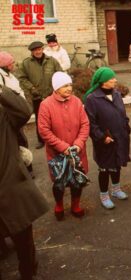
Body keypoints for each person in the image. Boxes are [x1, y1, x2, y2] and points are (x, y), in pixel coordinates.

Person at [0, 85, 49, 280]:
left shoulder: (4, 116)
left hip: (12, 189)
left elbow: (23, 111)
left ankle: (28, 272)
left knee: (24, 242)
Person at [38, 72, 90, 220]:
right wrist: (62, 147)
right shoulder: (46, 105)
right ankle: (59, 205)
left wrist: (79, 143)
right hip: (57, 154)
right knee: (59, 182)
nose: (69, 88)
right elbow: (44, 130)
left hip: (77, 152)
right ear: (56, 88)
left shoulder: (77, 102)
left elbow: (85, 124)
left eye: (70, 85)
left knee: (77, 180)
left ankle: (75, 205)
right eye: (65, 85)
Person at [84, 67, 131, 209]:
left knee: (117, 164)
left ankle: (116, 190)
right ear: (103, 82)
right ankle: (104, 195)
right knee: (105, 168)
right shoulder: (92, 99)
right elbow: (91, 123)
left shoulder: (116, 94)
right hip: (105, 141)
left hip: (120, 137)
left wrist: (126, 126)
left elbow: (122, 113)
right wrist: (102, 137)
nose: (115, 80)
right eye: (111, 78)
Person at [16, 41, 63, 149]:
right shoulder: (26, 63)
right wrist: (32, 88)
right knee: (40, 120)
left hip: (52, 95)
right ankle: (41, 140)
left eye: (39, 49)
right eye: (35, 50)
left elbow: (60, 74)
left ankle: (57, 138)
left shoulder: (51, 61)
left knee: (56, 118)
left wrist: (56, 89)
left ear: (43, 49)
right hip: (37, 97)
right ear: (32, 52)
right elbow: (22, 78)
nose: (38, 52)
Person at [0, 51, 34, 178]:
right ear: (4, 65)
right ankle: (22, 170)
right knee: (17, 141)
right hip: (11, 116)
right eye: (11, 63)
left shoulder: (10, 75)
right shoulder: (1, 77)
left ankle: (27, 167)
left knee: (22, 140)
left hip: (18, 112)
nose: (13, 65)